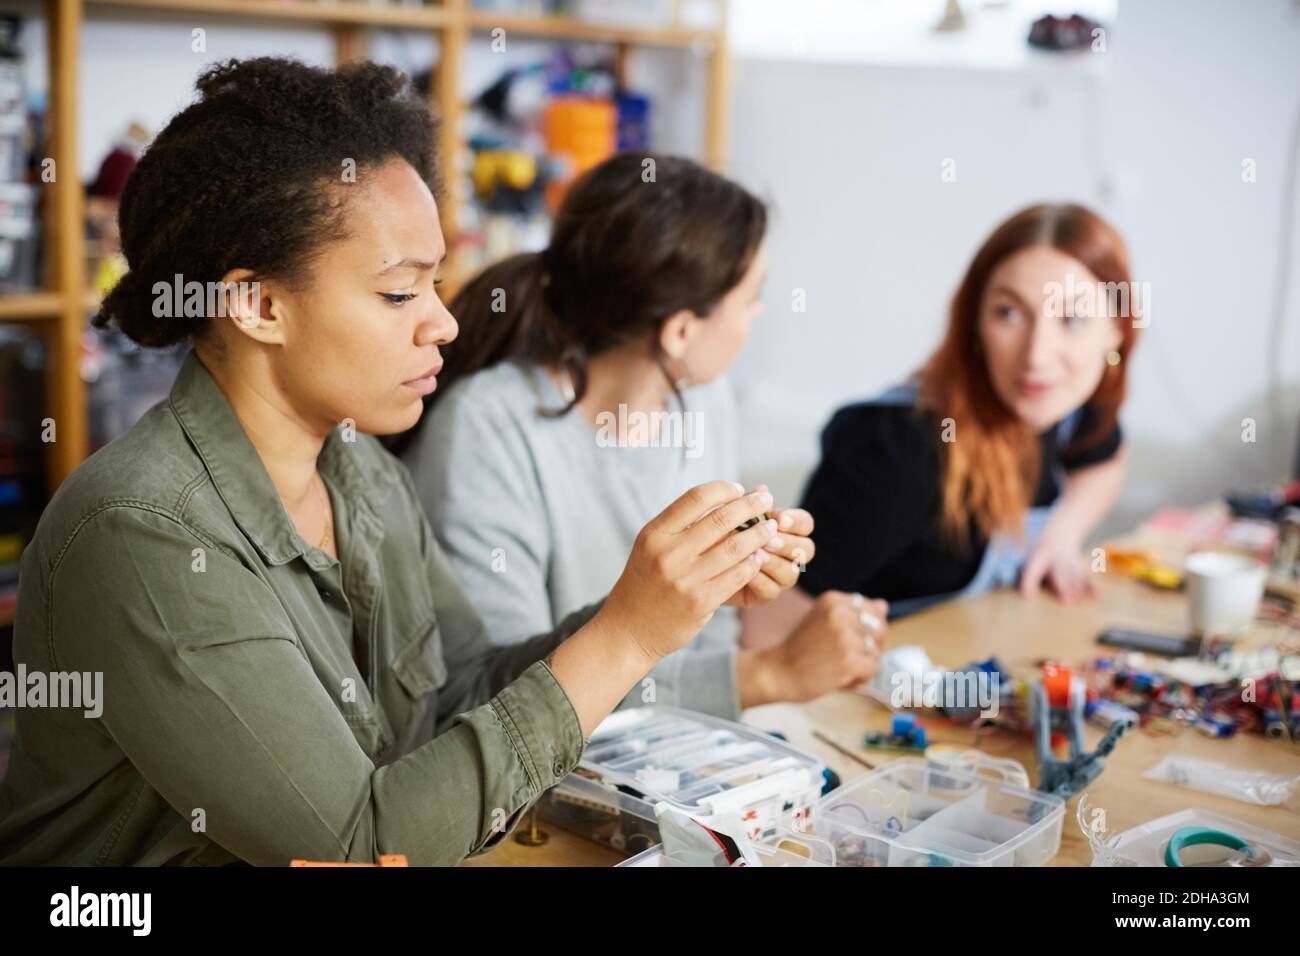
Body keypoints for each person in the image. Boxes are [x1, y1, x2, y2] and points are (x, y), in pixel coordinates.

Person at [0, 59, 793, 866]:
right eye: (398, 294)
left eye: (437, 285)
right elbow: (359, 846)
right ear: (258, 306)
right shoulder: (143, 534)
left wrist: (664, 600)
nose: (445, 325)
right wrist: (623, 638)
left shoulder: (359, 471)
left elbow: (464, 689)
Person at [399, 152, 884, 719]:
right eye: (751, 298)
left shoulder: (703, 400)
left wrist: (730, 576)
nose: (756, 315)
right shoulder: (487, 429)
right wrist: (772, 673)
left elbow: (709, 638)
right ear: (680, 330)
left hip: (660, 758)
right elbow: (502, 702)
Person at [746, 203, 1139, 646]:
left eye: (1072, 319)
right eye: (1009, 313)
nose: (1037, 356)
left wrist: (1062, 536)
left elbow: (1105, 461)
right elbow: (764, 630)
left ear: (1117, 330)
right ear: (975, 323)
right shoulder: (902, 450)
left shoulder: (1069, 403)